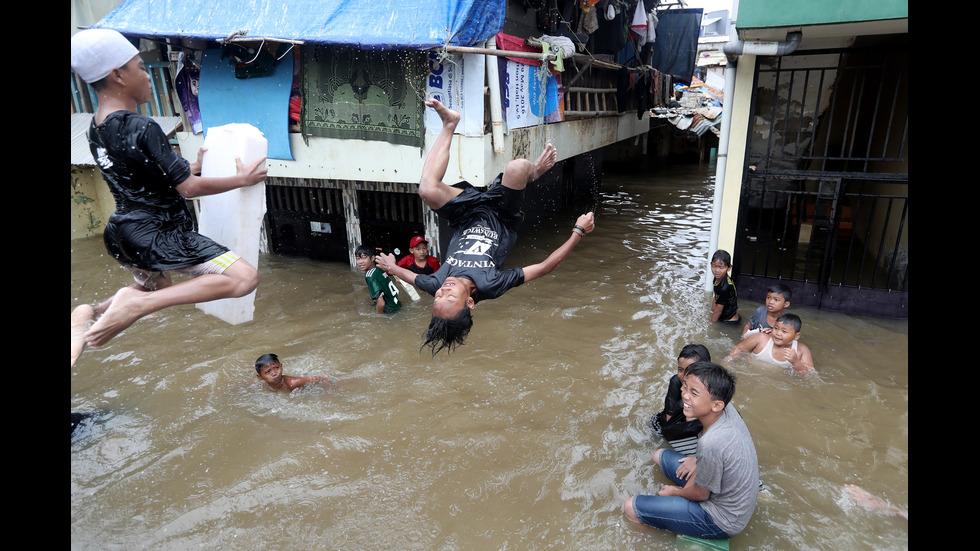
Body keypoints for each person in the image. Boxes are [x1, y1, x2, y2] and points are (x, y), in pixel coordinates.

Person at [70, 29, 267, 368]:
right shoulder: (142, 126)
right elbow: (188, 188)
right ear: (118, 76)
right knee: (244, 279)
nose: (147, 74)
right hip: (159, 234)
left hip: (122, 234)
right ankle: (137, 306)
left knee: (153, 286)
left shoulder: (95, 127)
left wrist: (185, 166)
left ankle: (91, 312)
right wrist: (241, 179)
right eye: (139, 67)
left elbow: (137, 177)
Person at [374, 99, 595, 355]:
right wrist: (578, 232)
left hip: (465, 214)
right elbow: (544, 267)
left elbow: (412, 278)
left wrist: (391, 267)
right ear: (469, 302)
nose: (443, 291)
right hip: (501, 215)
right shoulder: (491, 285)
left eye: (438, 297)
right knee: (516, 168)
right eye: (449, 297)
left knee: (426, 190)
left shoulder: (435, 282)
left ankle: (449, 123)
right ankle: (535, 172)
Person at [624, 362, 759, 540]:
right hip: (730, 498)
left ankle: (653, 541)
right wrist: (698, 460)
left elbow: (701, 494)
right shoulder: (726, 410)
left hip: (722, 520)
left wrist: (675, 492)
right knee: (659, 455)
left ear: (717, 405)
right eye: (685, 387)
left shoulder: (712, 442)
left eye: (694, 393)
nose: (685, 396)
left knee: (631, 507)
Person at [651, 344, 711, 456]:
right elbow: (670, 421)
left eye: (690, 370)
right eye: (680, 370)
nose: (683, 376)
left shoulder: (713, 387)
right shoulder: (676, 383)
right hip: (672, 424)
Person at [728, 313, 814, 374]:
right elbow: (737, 349)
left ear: (796, 336)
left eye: (784, 331)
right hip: (749, 373)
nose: (778, 333)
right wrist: (727, 365)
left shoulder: (801, 350)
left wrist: (796, 362)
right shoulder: (760, 338)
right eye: (776, 328)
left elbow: (809, 376)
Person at [355, 245, 402, 314]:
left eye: (364, 258)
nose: (360, 262)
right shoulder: (379, 269)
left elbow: (381, 303)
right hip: (397, 306)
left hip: (389, 311)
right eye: (358, 258)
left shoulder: (370, 276)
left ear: (372, 258)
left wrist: (378, 319)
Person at [255, 353, 329, 393]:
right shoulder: (264, 384)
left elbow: (323, 379)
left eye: (277, 368)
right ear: (260, 377)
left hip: (310, 387)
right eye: (268, 371)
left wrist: (329, 392)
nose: (274, 373)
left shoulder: (292, 383)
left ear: (281, 367)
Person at [710, 250, 740, 325]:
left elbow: (718, 311)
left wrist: (710, 326)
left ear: (729, 268)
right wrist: (712, 310)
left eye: (721, 267)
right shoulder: (717, 278)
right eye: (714, 266)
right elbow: (716, 295)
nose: (717, 270)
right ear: (711, 264)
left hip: (729, 321)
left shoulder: (725, 287)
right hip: (725, 315)